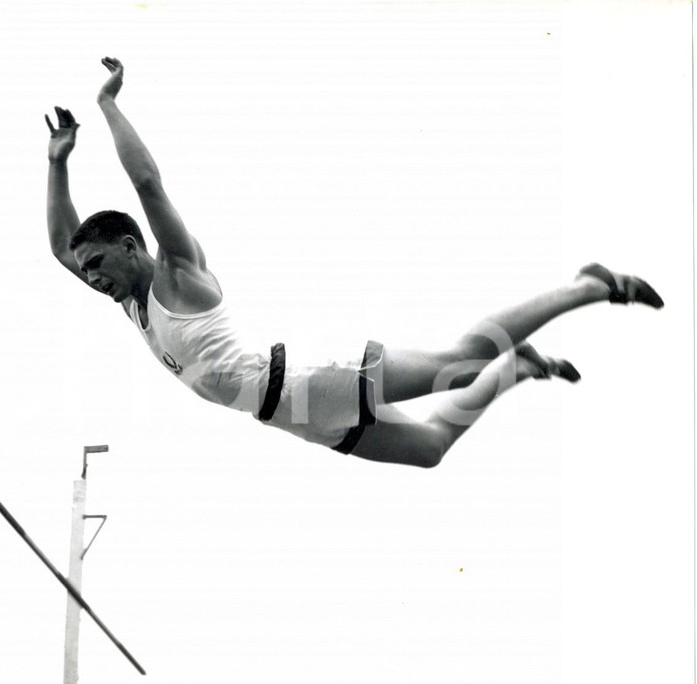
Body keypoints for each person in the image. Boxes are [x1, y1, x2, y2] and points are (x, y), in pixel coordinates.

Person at [45, 57, 664, 468]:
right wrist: (58, 162)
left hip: (304, 383)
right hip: (291, 416)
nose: (92, 278)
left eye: (97, 262)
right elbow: (60, 246)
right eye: (88, 271)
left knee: (457, 364)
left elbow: (148, 184)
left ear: (131, 247)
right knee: (430, 449)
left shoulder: (178, 274)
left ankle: (588, 286)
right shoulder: (129, 303)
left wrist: (108, 104)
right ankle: (521, 367)